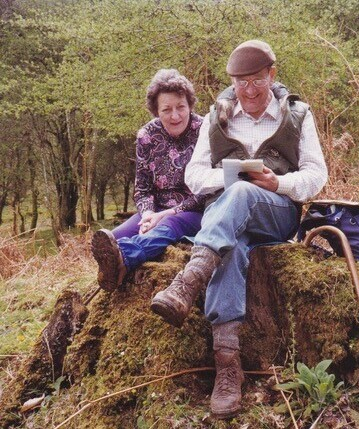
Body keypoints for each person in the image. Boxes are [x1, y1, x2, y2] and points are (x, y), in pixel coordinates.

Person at [150, 40, 328, 418]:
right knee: (230, 249)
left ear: (272, 76)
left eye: (256, 82)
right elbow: (194, 175)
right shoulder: (218, 116)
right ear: (231, 81)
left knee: (246, 193)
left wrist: (276, 184)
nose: (248, 91)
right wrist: (230, 177)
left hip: (277, 213)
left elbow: (316, 175)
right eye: (240, 82)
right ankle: (227, 368)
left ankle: (188, 280)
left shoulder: (296, 114)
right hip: (229, 219)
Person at [91, 69, 206, 292]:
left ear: (189, 105)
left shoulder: (205, 130)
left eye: (181, 107)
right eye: (167, 109)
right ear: (156, 111)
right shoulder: (146, 136)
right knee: (113, 239)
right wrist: (147, 216)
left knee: (170, 224)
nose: (175, 116)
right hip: (156, 210)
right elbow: (143, 189)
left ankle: (126, 258)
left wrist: (164, 215)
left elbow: (207, 192)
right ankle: (118, 276)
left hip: (194, 211)